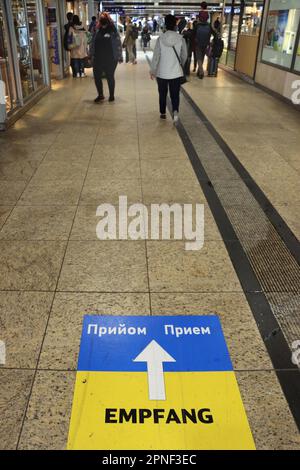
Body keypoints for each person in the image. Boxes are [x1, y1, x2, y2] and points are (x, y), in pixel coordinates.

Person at [150, 14, 187, 123]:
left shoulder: (160, 39)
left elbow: (156, 56)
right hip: (175, 72)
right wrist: (181, 64)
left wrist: (153, 70)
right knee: (175, 93)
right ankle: (175, 111)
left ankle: (163, 113)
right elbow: (184, 55)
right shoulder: (181, 39)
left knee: (162, 93)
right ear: (175, 25)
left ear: (165, 25)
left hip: (162, 72)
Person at [91, 12, 123, 103]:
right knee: (97, 77)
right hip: (98, 58)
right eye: (101, 18)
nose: (102, 19)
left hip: (111, 59)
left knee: (110, 76)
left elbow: (118, 44)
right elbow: (92, 43)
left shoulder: (113, 31)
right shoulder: (97, 31)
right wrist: (91, 55)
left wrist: (119, 56)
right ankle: (100, 95)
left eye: (104, 18)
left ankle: (111, 95)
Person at [195, 10, 214, 79]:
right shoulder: (209, 25)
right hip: (206, 43)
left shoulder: (197, 25)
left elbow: (193, 34)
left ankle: (201, 72)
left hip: (198, 43)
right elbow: (214, 33)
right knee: (202, 57)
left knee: (199, 58)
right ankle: (199, 71)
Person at [64, 12, 75, 77]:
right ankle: (75, 71)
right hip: (73, 41)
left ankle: (73, 70)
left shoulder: (66, 25)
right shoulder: (73, 25)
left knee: (72, 56)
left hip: (68, 41)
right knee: (74, 56)